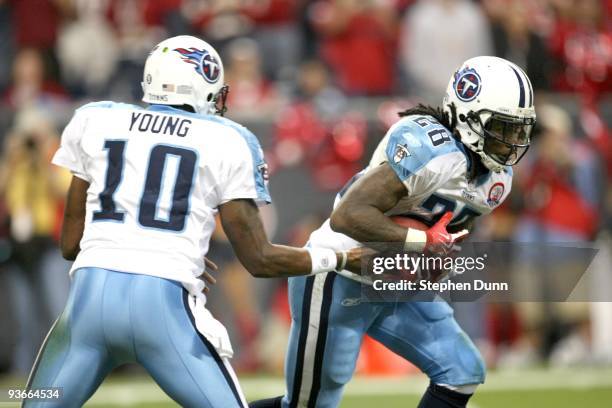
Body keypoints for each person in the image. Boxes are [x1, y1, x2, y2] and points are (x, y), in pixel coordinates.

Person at [23, 35, 362, 408]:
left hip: (86, 309)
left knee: (36, 402)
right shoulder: (227, 139)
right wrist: (339, 259)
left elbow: (71, 244)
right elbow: (259, 259)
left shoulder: (96, 119)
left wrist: (143, 246)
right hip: (164, 314)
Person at [250, 56, 536, 408]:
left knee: (462, 371)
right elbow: (348, 215)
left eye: (517, 130)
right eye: (502, 128)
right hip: (343, 271)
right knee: (309, 405)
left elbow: (453, 231)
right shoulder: (429, 147)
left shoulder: (497, 180)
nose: (511, 142)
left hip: (397, 281)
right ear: (467, 116)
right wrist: (419, 242)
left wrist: (441, 257)